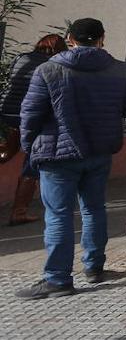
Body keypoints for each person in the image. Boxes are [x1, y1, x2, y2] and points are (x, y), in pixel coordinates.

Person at [15, 18, 126, 299]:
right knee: (94, 209)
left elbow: (30, 114)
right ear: (102, 38)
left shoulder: (49, 69)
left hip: (57, 153)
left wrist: (29, 146)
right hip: (99, 151)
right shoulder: (120, 70)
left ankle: (58, 278)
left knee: (59, 214)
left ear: (70, 37)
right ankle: (94, 267)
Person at [1, 34, 67, 225]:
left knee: (7, 151)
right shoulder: (54, 66)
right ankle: (19, 211)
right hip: (32, 119)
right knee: (31, 163)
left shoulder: (21, 58)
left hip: (7, 114)